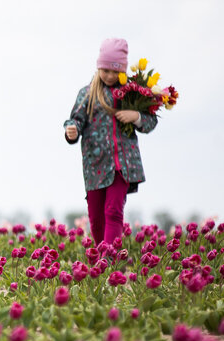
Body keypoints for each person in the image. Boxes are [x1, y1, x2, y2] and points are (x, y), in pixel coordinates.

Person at [64, 38, 157, 247]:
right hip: (95, 165)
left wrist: (136, 116)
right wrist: (71, 131)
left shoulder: (133, 92)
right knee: (97, 218)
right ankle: (100, 260)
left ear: (122, 70)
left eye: (115, 71)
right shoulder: (87, 93)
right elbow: (75, 120)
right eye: (105, 70)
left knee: (113, 212)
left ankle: (108, 261)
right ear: (98, 67)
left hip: (123, 164)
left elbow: (150, 122)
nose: (109, 75)